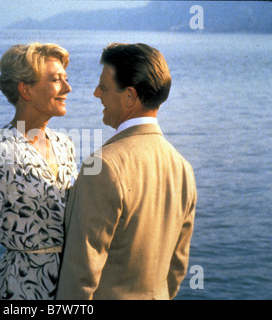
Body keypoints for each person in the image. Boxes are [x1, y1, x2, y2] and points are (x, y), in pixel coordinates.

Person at [56, 43, 197, 300]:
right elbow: (176, 269)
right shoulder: (183, 168)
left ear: (130, 97)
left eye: (104, 87)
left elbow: (79, 276)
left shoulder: (103, 167)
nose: (96, 93)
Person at [0, 42, 78, 300]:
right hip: (24, 290)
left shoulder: (65, 144)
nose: (68, 88)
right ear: (25, 90)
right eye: (56, 80)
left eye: (66, 79)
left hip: (76, 286)